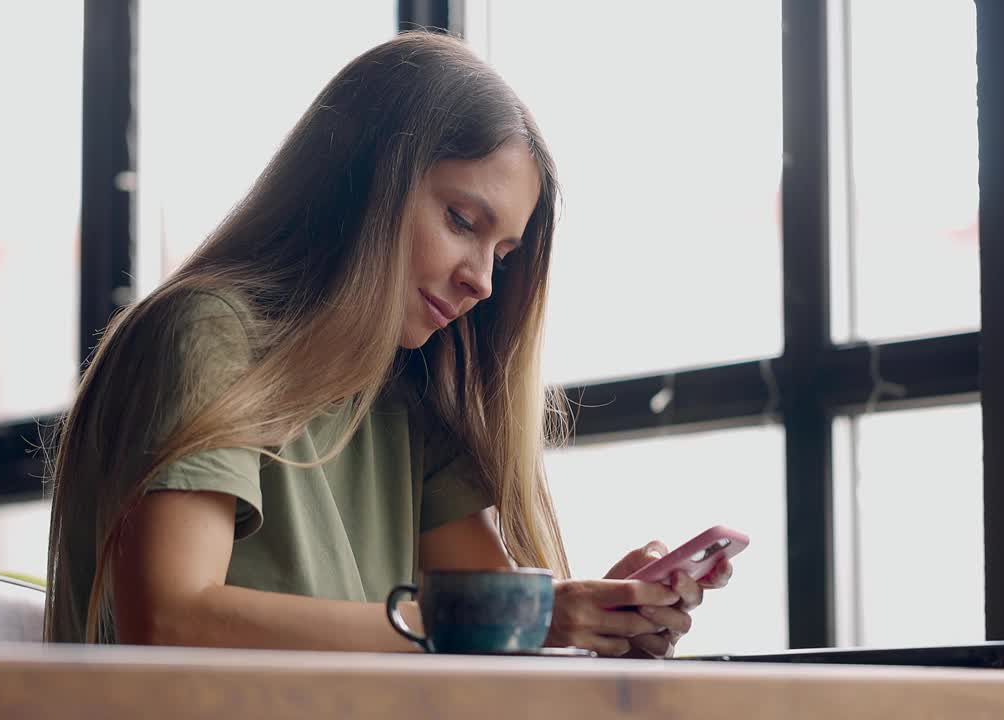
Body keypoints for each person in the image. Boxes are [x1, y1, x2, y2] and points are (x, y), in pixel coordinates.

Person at [43, 32, 731, 657]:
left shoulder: (407, 402)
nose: (484, 282)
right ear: (366, 180)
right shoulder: (207, 334)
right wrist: (539, 618)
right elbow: (169, 620)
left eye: (504, 252)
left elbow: (504, 634)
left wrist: (604, 619)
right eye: (463, 220)